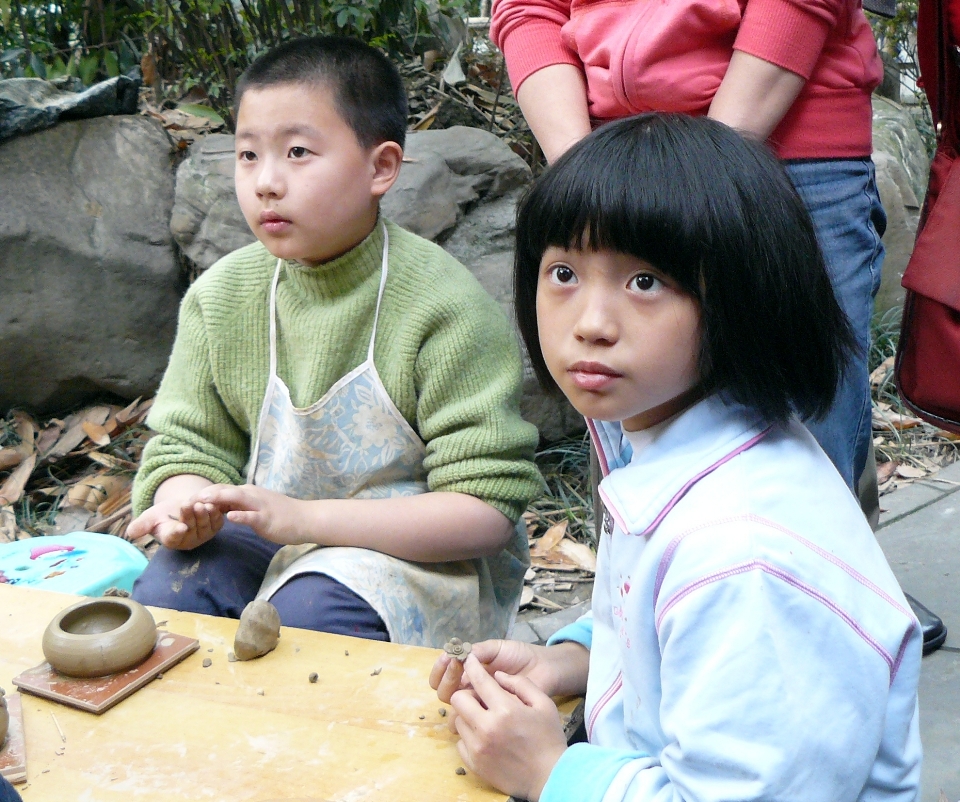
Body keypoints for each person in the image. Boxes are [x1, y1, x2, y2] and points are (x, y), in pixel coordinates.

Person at [430, 115, 922, 802]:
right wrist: (578, 657)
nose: (591, 323)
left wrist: (548, 771)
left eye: (645, 283)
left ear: (741, 296)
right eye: (564, 273)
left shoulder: (744, 555)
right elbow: (664, 620)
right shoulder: (684, 443)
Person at [126, 36, 542, 647]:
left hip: (413, 558)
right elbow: (187, 446)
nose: (266, 182)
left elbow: (483, 510)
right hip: (269, 531)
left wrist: (305, 519)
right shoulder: (222, 298)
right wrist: (187, 506)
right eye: (247, 155)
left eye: (297, 152)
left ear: (381, 167)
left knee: (308, 626)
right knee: (172, 593)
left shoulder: (443, 306)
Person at [489, 0, 883, 497]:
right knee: (634, 448)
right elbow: (529, 8)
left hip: (788, 138)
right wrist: (588, 174)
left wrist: (704, 175)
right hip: (614, 148)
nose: (590, 325)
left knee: (805, 432)